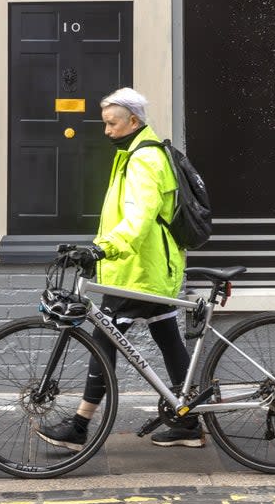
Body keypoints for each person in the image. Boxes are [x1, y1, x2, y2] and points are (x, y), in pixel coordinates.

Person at [37, 87, 203, 450]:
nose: (107, 131)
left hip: (138, 271)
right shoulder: (138, 153)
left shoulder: (144, 159)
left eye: (112, 123)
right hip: (146, 268)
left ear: (133, 120)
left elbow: (140, 219)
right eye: (105, 123)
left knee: (104, 340)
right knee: (167, 336)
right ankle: (187, 421)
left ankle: (80, 425)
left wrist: (101, 249)